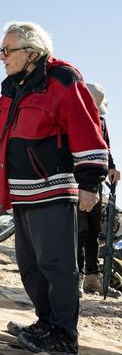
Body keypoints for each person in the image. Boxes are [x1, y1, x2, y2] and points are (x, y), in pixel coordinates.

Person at [0, 22, 108, 354]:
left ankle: (64, 336)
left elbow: (86, 129)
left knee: (57, 265)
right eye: (1, 51)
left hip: (53, 189)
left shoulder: (63, 79)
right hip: (22, 193)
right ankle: (46, 322)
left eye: (7, 50)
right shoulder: (15, 88)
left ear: (32, 51)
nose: (2, 58)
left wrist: (90, 183)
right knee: (30, 266)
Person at [78, 83, 121, 296]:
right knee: (78, 230)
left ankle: (92, 279)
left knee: (93, 231)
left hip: (95, 182)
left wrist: (112, 167)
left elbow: (105, 148)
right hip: (75, 181)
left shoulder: (101, 121)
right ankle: (74, 278)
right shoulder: (72, 117)